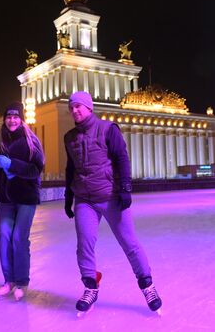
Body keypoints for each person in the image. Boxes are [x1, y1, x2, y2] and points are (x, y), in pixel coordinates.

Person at [63, 91, 162, 315]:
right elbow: (70, 168)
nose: (75, 111)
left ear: (89, 107)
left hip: (110, 196)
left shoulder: (108, 129)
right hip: (84, 199)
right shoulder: (69, 137)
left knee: (129, 243)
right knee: (84, 244)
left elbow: (122, 159)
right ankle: (90, 287)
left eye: (78, 106)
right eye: (71, 108)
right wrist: (69, 196)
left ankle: (147, 285)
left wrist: (125, 188)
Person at [0, 101, 45, 301]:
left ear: (21, 119)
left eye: (15, 117)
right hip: (7, 197)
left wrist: (13, 164)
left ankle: (21, 282)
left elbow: (36, 169)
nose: (12, 120)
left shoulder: (31, 140)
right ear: (5, 119)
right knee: (4, 236)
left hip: (26, 197)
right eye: (9, 117)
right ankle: (8, 280)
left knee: (19, 238)